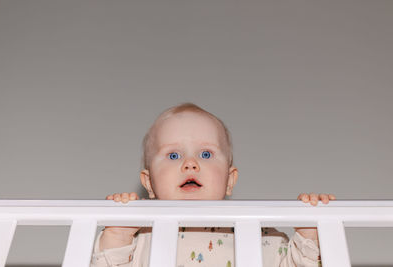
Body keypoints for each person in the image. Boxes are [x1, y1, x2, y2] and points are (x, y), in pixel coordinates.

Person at [90, 103, 335, 267]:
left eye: (205, 154)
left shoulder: (261, 235)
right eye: (174, 155)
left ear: (230, 181)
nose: (190, 163)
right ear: (149, 183)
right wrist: (117, 233)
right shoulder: (140, 239)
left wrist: (309, 233)